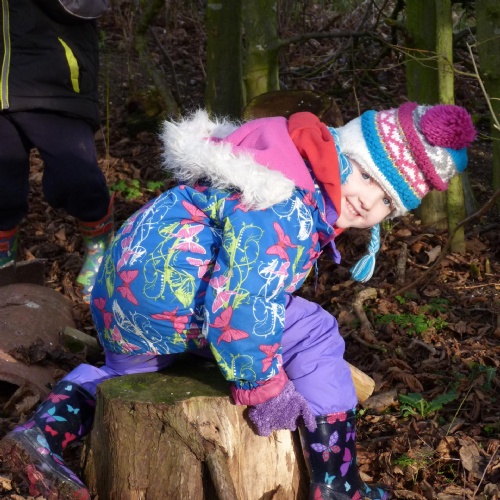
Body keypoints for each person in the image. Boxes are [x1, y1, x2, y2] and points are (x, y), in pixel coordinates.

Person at [0, 102, 476, 500]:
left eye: (388, 202)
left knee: (126, 376)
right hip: (176, 294)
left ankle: (42, 435)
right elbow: (244, 299)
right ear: (341, 150)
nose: (370, 202)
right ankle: (336, 483)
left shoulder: (274, 160)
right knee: (316, 332)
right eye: (368, 176)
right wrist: (262, 384)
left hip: (124, 297)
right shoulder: (286, 202)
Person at [0, 0, 113, 303]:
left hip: (55, 79)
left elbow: (90, 5)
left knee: (77, 175)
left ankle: (100, 242)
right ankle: (3, 253)